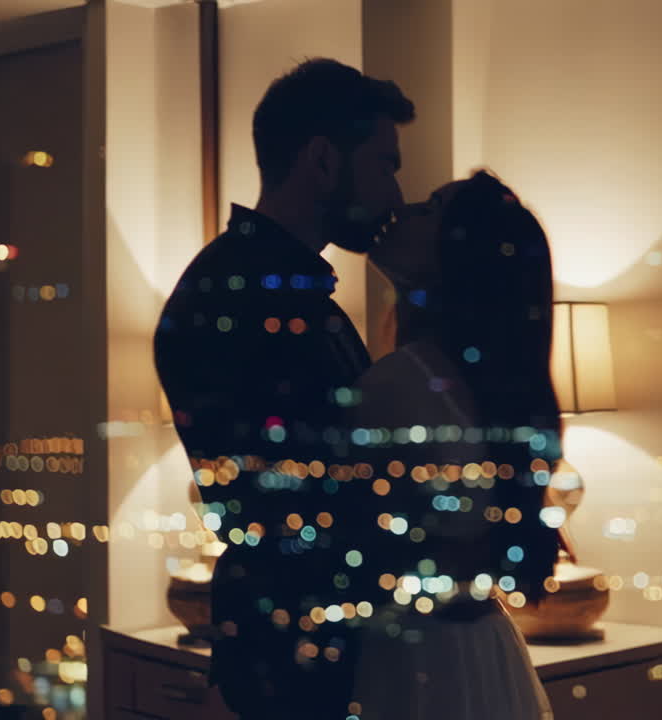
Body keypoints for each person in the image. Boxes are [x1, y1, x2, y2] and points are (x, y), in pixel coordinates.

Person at [153, 58, 413, 718]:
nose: (395, 194)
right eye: (385, 165)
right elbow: (303, 498)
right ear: (324, 160)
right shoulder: (238, 297)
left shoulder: (288, 290)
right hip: (298, 662)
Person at [344, 170, 562, 719]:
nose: (407, 208)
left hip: (414, 660)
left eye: (430, 208)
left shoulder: (401, 382)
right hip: (483, 648)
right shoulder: (489, 387)